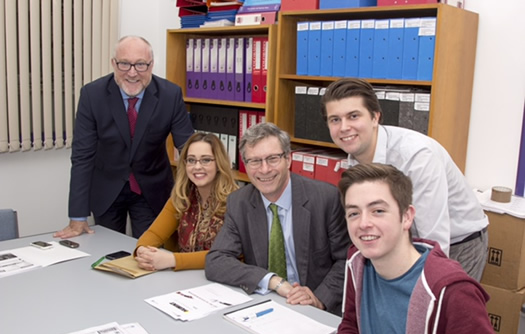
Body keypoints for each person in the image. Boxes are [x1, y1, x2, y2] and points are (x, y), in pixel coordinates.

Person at [321, 78, 488, 281]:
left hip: (457, 244)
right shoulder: (356, 156)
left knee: (439, 307)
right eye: (335, 120)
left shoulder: (417, 156)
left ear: (375, 117)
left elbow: (434, 241)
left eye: (353, 116)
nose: (344, 127)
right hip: (402, 243)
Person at [330, 163, 501, 334]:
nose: (363, 223)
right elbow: (351, 326)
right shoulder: (357, 262)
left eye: (378, 211)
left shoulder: (454, 291)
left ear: (407, 217)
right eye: (353, 213)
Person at [55, 36, 194, 239]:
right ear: (113, 63)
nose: (132, 73)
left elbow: (188, 148)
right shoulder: (92, 95)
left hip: (152, 189)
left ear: (151, 65)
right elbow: (82, 157)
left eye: (140, 65)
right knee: (107, 254)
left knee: (148, 254)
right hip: (106, 190)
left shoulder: (170, 95)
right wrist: (77, 216)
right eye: (124, 64)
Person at [205, 123, 350, 315]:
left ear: (288, 159)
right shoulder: (239, 203)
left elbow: (347, 261)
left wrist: (319, 298)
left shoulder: (326, 199)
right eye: (255, 161)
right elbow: (216, 260)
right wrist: (273, 281)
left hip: (317, 311)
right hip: (268, 305)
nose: (264, 170)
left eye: (272, 159)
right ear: (245, 165)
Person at [134, 132, 238, 271]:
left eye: (206, 160)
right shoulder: (182, 197)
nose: (197, 167)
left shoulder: (236, 202)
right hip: (183, 279)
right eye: (191, 160)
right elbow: (154, 234)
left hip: (221, 281)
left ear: (219, 163)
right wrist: (142, 251)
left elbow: (227, 255)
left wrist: (172, 260)